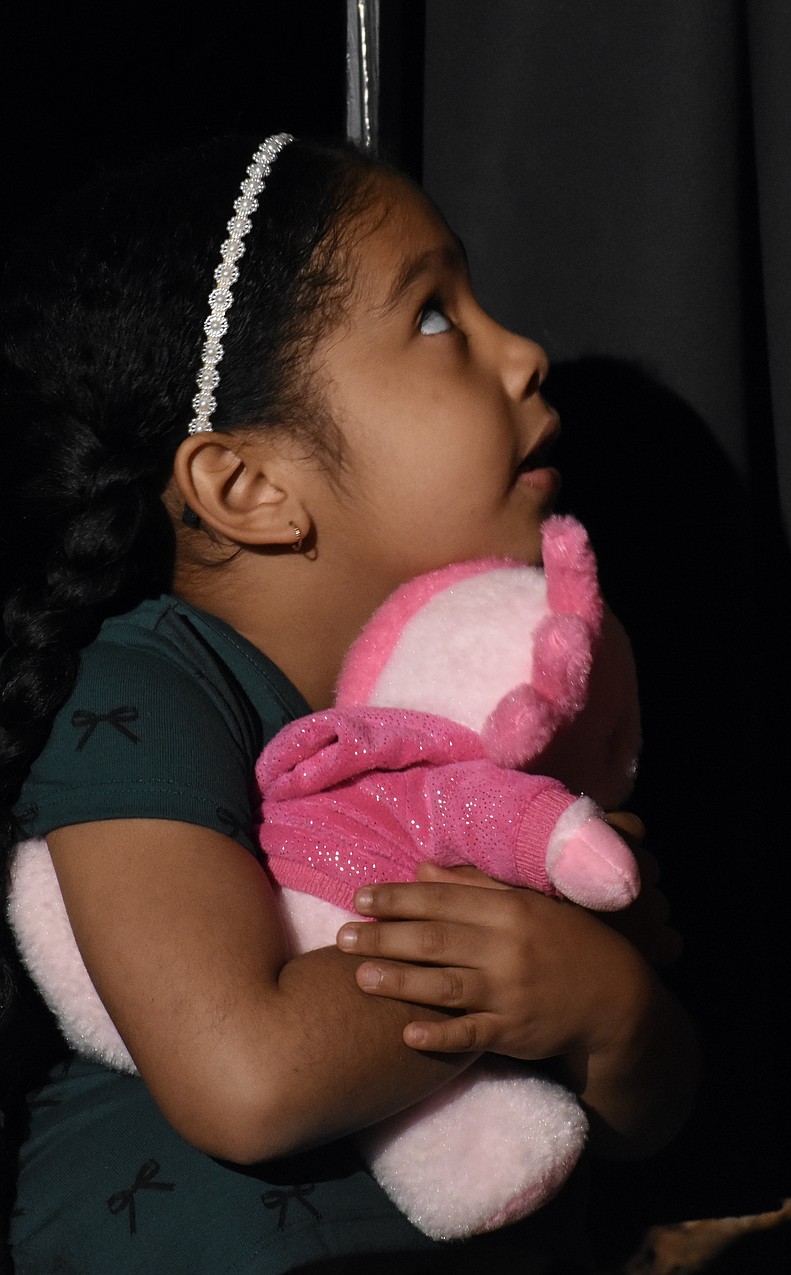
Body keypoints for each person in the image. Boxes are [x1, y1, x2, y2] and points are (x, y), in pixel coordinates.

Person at [0, 132, 700, 1273]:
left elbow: (636, 1123)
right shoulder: (148, 687)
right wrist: (531, 953)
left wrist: (604, 1007)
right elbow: (244, 1078)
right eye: (435, 317)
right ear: (249, 486)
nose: (524, 353)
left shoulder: (506, 703)